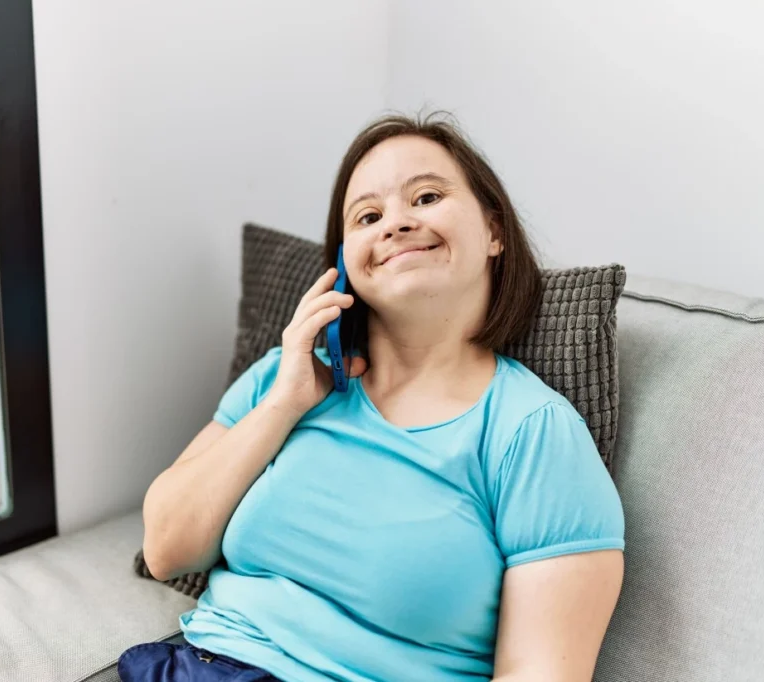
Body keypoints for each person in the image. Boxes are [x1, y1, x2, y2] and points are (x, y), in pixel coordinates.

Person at [123, 112, 625, 682]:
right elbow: (166, 550)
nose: (396, 223)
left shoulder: (532, 432)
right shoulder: (282, 378)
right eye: (368, 215)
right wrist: (283, 404)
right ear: (344, 264)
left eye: (427, 196)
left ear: (493, 231)